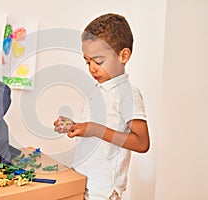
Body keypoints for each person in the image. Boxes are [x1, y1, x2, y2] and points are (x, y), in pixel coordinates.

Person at [53, 13, 150, 200]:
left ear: (124, 55)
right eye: (87, 62)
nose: (92, 68)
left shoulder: (128, 94)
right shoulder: (98, 90)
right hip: (84, 178)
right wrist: (75, 126)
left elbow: (141, 142)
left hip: (103, 189)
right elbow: (96, 129)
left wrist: (94, 129)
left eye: (98, 61)